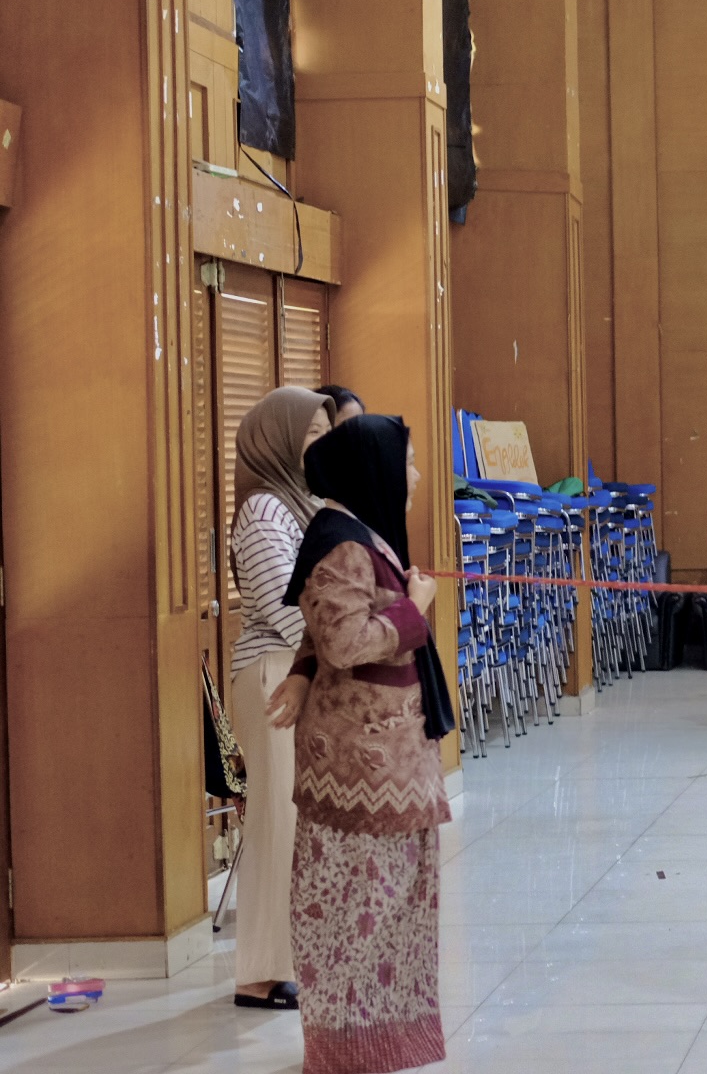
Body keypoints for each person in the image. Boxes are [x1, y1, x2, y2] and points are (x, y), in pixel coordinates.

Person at [269, 415, 455, 1073]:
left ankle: (383, 1038)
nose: (416, 477)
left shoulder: (359, 534)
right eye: (408, 463)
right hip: (360, 768)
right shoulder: (342, 545)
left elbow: (323, 630)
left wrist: (301, 670)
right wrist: (414, 608)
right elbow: (345, 641)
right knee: (357, 911)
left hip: (389, 761)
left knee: (392, 904)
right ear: (373, 468)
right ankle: (349, 1047)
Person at [226, 387, 336, 1011]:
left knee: (293, 824)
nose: (324, 444)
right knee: (274, 822)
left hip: (296, 670)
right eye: (312, 433)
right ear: (280, 440)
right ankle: (258, 974)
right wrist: (343, 648)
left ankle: (284, 962)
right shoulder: (264, 510)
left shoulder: (302, 504)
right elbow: (285, 607)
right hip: (273, 673)